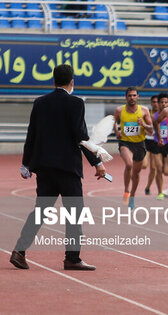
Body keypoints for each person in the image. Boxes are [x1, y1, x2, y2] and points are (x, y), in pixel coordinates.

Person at [11, 64, 106, 271]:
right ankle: (72, 258)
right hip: (67, 168)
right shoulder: (76, 103)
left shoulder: (40, 103)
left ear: (53, 81)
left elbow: (32, 134)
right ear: (72, 82)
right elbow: (80, 137)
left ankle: (20, 250)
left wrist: (26, 164)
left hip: (44, 167)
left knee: (40, 211)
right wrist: (97, 162)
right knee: (74, 213)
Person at [113, 87, 154, 209]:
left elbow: (151, 130)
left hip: (140, 144)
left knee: (136, 174)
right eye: (129, 95)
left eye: (134, 95)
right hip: (125, 143)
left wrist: (143, 124)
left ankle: (132, 196)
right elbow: (113, 122)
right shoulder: (119, 110)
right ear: (126, 97)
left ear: (138, 96)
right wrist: (116, 132)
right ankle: (126, 190)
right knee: (129, 164)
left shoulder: (144, 111)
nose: (132, 98)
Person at [151, 92, 168, 200]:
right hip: (157, 144)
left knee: (167, 172)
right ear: (158, 103)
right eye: (161, 102)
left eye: (165, 102)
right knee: (158, 169)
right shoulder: (154, 117)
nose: (163, 104)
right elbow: (151, 129)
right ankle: (160, 192)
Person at [143, 94, 163, 197]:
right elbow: (143, 127)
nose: (155, 104)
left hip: (156, 143)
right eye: (153, 102)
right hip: (147, 141)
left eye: (157, 102)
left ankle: (148, 187)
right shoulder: (147, 114)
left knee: (154, 168)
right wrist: (147, 129)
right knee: (144, 165)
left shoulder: (161, 115)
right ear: (151, 103)